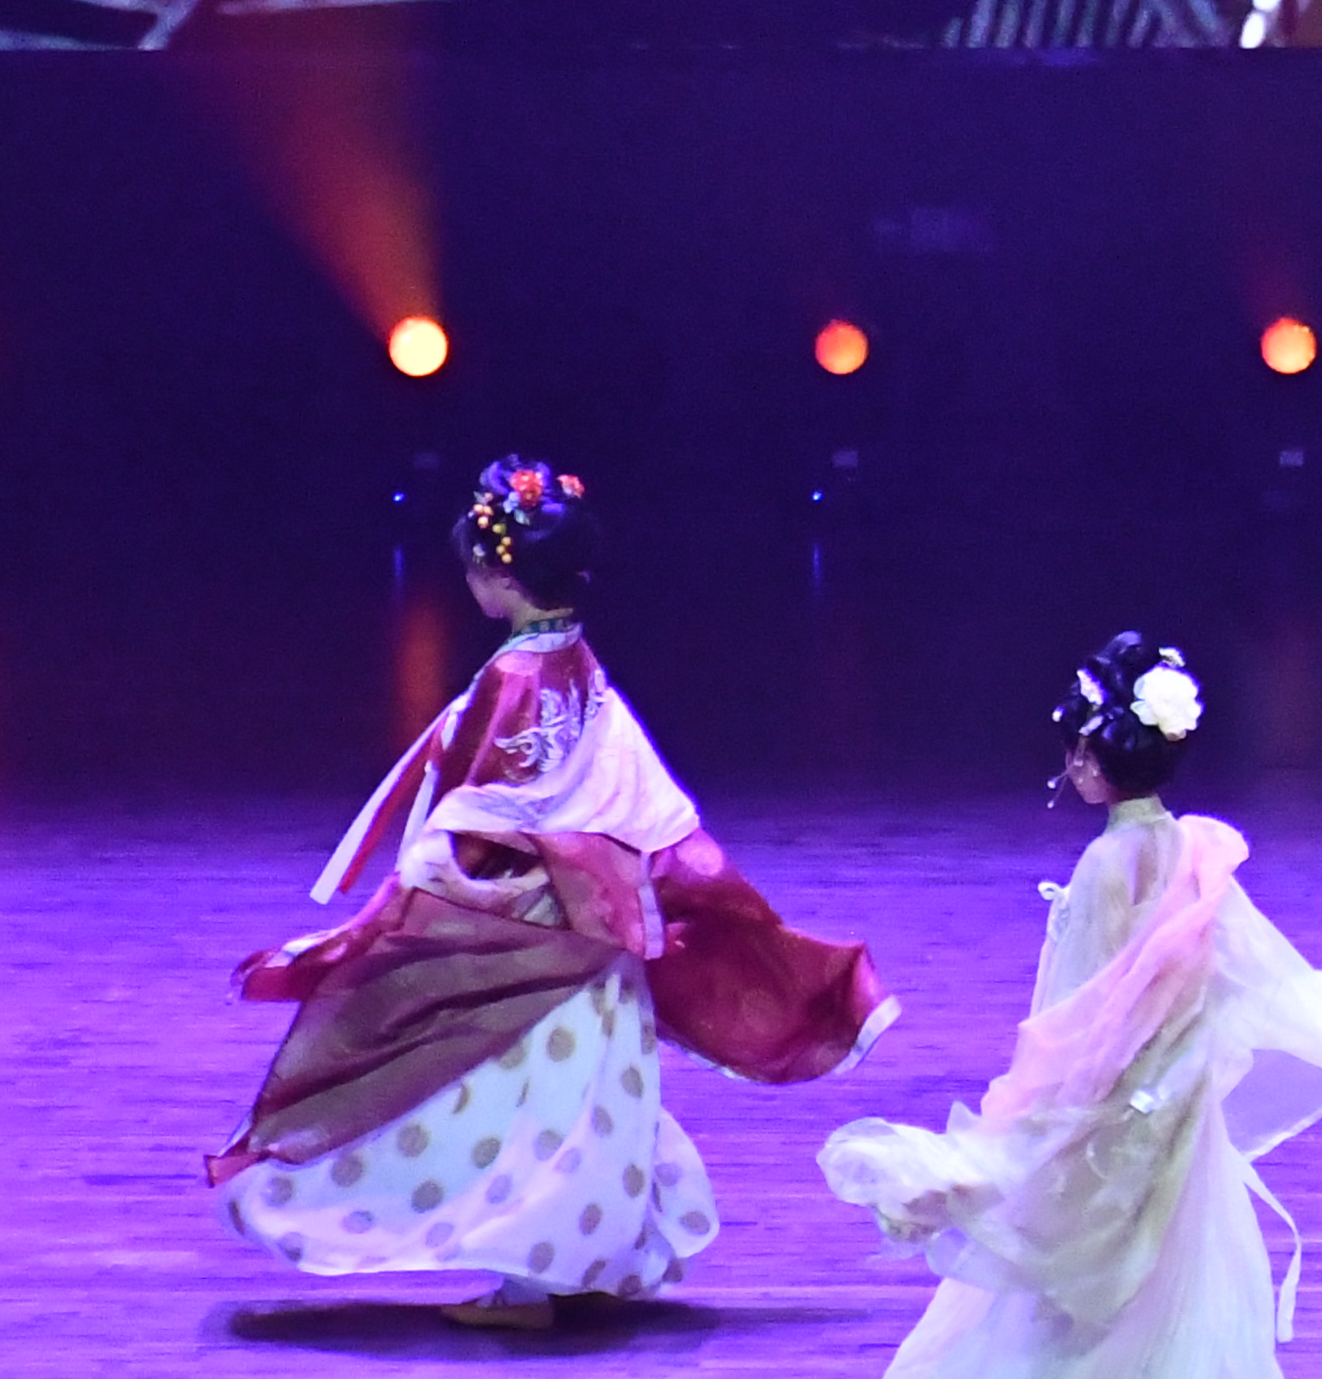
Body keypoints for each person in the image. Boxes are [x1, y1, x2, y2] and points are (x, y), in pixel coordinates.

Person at [215, 458, 888, 1320]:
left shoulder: (519, 677)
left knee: (508, 1088)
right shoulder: (573, 660)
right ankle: (581, 1262)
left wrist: (418, 892)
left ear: (498, 577)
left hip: (531, 931)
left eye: (472, 567)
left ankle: (535, 1276)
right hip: (591, 920)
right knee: (579, 1097)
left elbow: (489, 804)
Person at [820, 636, 1322, 1379]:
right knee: (1175, 1260)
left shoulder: (1108, 863)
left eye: (1077, 752)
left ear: (1095, 759)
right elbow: (1253, 969)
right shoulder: (1190, 848)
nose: (1070, 767)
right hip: (1178, 1091)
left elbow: (1082, 1004)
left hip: (1121, 1091)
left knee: (1091, 1259)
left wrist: (1046, 1104)